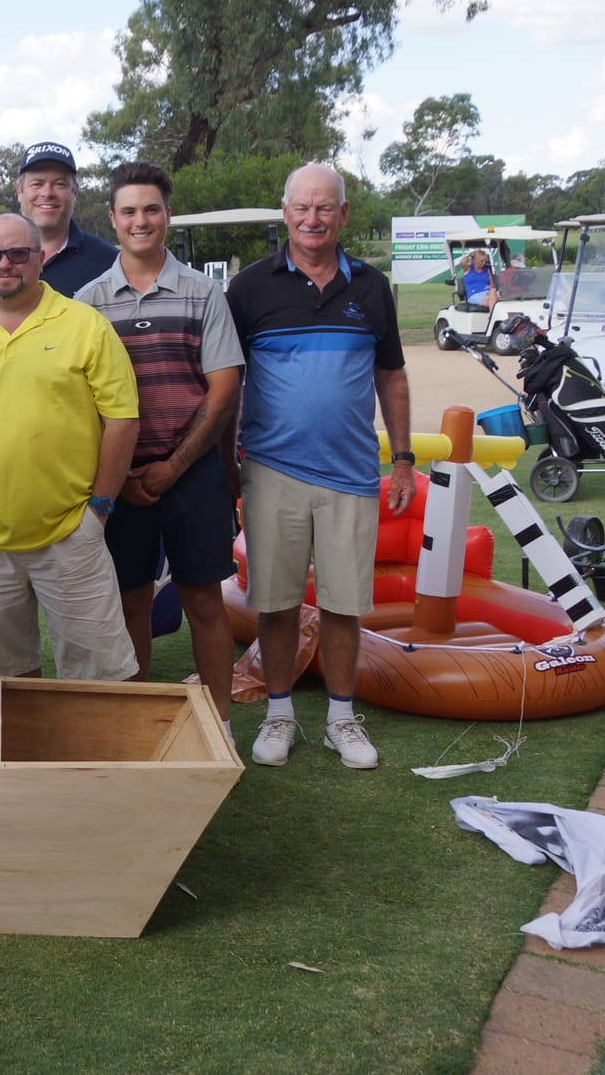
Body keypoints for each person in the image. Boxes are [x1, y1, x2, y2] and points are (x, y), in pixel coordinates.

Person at [227, 162, 415, 771]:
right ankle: (279, 713)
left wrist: (404, 460)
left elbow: (391, 376)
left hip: (351, 473)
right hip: (271, 470)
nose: (312, 219)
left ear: (343, 214)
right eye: (302, 208)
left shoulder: (372, 287)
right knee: (276, 604)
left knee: (343, 605)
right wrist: (225, 462)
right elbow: (225, 382)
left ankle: (340, 719)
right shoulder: (249, 288)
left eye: (324, 207)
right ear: (285, 213)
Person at [75, 162, 244, 733]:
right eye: (129, 211)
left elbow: (223, 390)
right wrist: (116, 476)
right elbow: (80, 400)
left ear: (168, 214)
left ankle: (220, 725)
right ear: (112, 218)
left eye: (151, 209)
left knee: (204, 601)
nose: (140, 220)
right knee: (131, 603)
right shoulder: (87, 302)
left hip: (193, 474)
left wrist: (174, 466)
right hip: (118, 478)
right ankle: (138, 726)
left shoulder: (203, 292)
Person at [0, 213, 141, 681]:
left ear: (41, 257)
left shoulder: (85, 324)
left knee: (100, 680)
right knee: (0, 683)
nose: (4, 264)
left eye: (17, 253)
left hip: (70, 534)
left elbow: (122, 421)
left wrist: (98, 512)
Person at [0, 140, 117, 306]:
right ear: (19, 191)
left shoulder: (109, 262)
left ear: (75, 192)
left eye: (59, 184)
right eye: (37, 184)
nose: (47, 193)